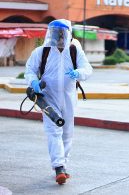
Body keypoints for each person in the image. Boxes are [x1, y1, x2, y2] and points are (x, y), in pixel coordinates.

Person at [25, 19, 93, 185]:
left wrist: (78, 73)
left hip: (69, 98)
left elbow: (88, 69)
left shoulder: (75, 50)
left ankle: (64, 165)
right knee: (53, 131)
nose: (59, 37)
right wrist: (33, 82)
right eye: (56, 33)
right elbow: (30, 71)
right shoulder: (42, 52)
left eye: (62, 33)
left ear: (68, 34)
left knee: (67, 133)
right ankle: (59, 167)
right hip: (48, 98)